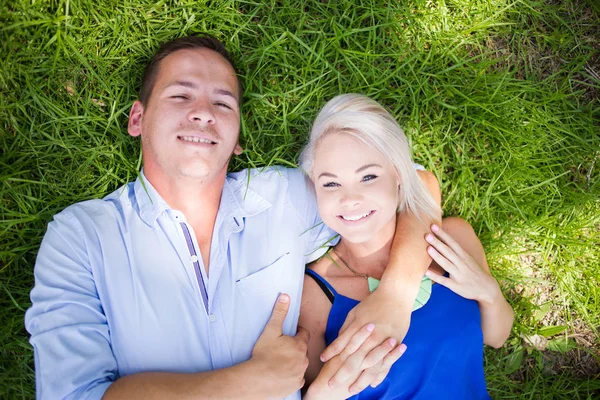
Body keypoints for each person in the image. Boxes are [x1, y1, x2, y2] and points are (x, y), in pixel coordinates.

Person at [25, 35, 438, 399]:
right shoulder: (81, 235)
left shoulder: (283, 198)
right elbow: (72, 393)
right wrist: (252, 382)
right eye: (180, 96)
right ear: (138, 118)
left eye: (222, 103)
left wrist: (396, 297)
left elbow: (415, 181)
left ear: (237, 137)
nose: (203, 112)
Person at [298, 94, 515, 399]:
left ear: (399, 175)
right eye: (331, 183)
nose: (350, 199)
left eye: (368, 176)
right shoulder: (315, 294)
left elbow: (497, 337)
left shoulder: (452, 239)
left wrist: (490, 293)